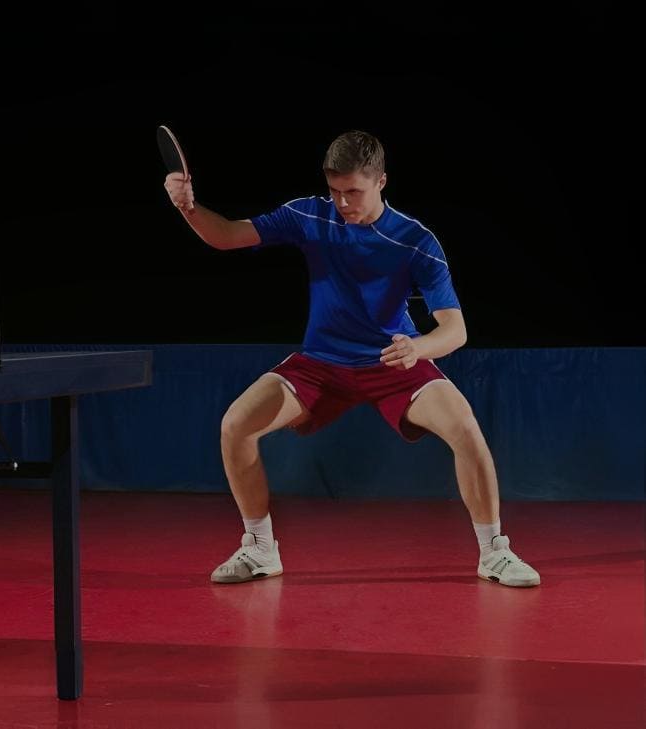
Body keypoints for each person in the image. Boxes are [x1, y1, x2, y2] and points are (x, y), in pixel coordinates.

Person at [162, 129, 540, 587]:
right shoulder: (309, 215)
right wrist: (188, 208)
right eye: (335, 191)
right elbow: (226, 236)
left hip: (393, 362)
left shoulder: (414, 240)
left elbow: (455, 330)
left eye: (354, 192)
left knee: (464, 427)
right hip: (321, 364)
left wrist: (417, 348)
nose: (343, 202)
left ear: (381, 181)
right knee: (235, 425)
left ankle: (494, 552)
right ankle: (260, 548)